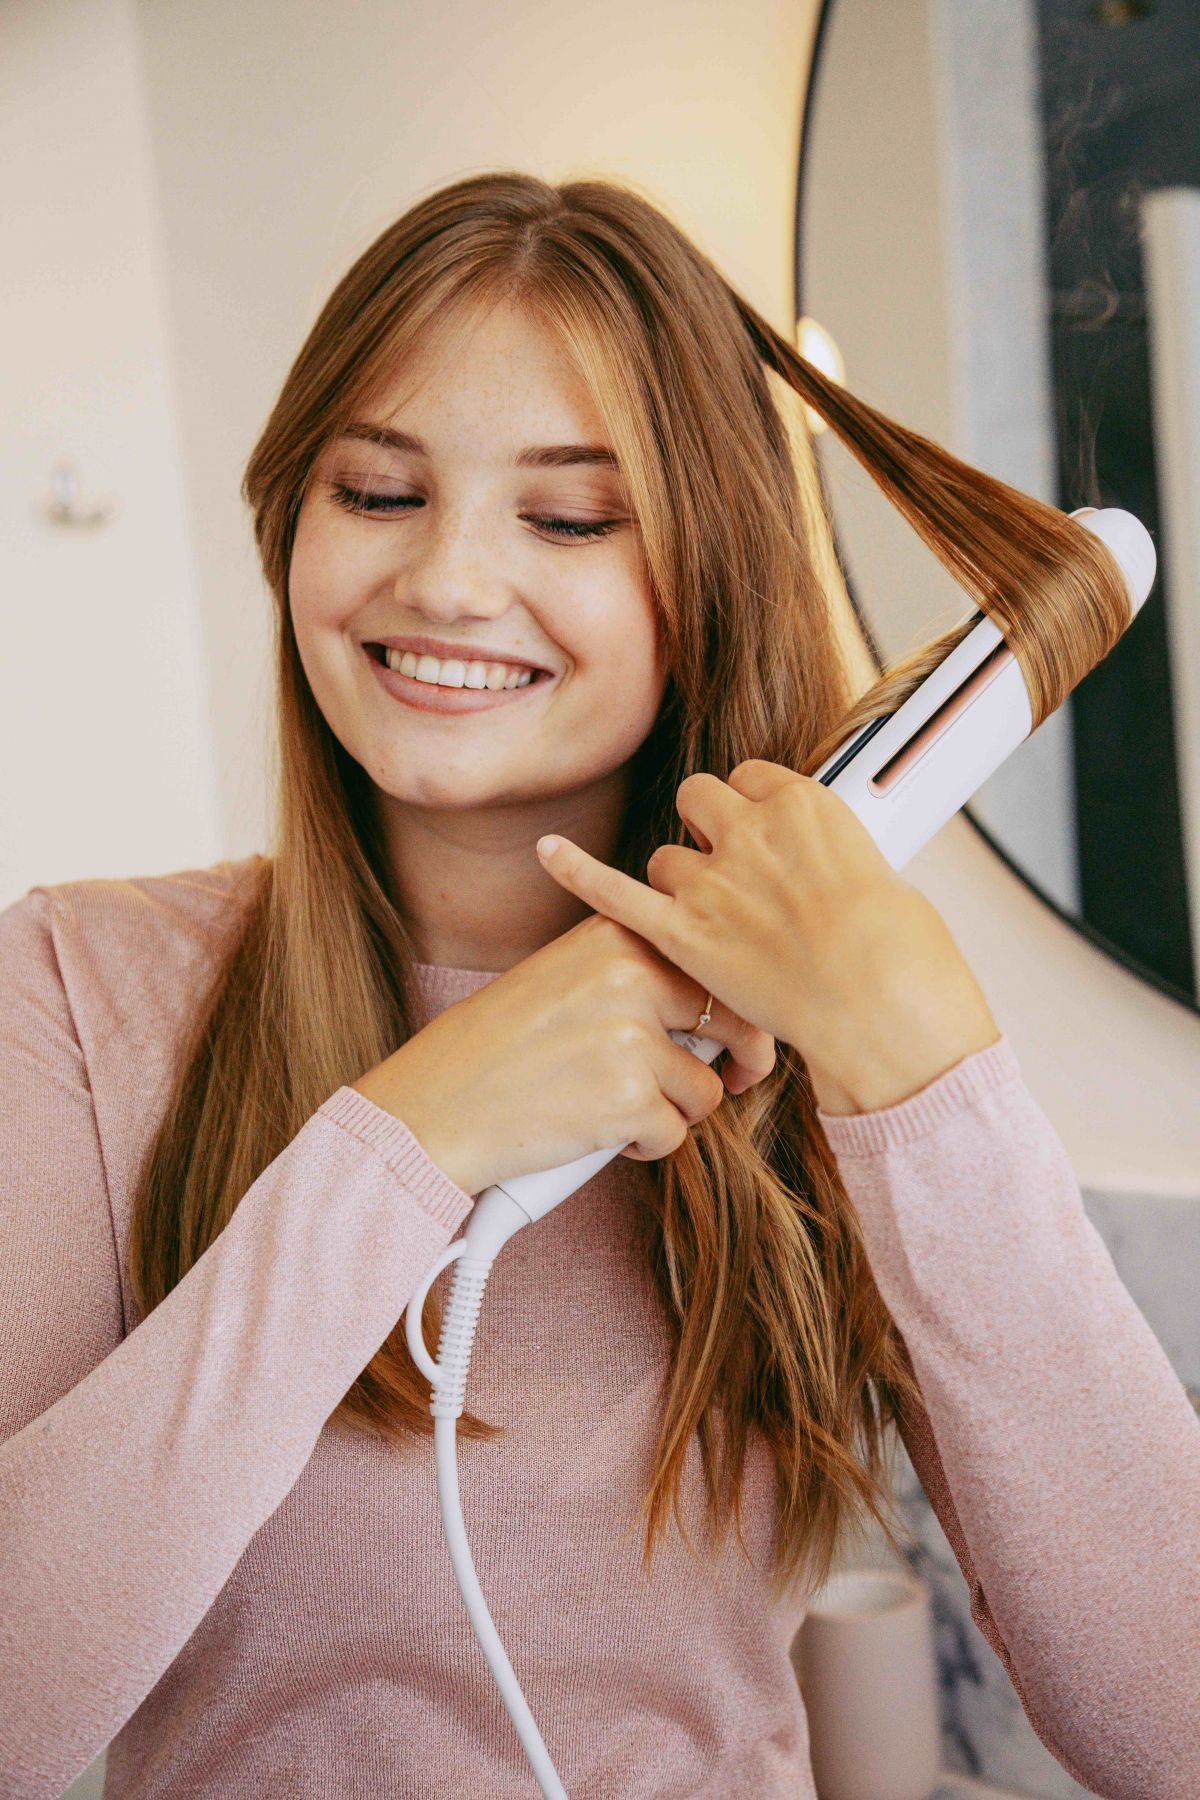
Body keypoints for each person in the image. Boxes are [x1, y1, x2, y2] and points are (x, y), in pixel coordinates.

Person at [2, 172, 1197, 1800]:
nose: (445, 581)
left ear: (703, 569)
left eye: (568, 517)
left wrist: (922, 1075)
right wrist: (407, 1138)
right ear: (291, 520)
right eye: (376, 491)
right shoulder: (76, 991)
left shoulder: (826, 1031)